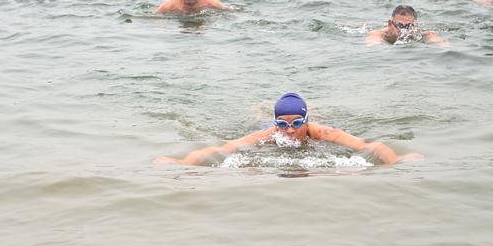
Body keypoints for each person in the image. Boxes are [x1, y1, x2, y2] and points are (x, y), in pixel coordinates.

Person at [155, 92, 423, 166]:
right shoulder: (268, 135)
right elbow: (220, 150)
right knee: (257, 122)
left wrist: (396, 160)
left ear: (306, 123)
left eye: (296, 124)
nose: (290, 131)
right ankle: (260, 110)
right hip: (261, 124)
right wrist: (181, 164)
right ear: (276, 124)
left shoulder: (322, 133)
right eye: (283, 124)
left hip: (317, 124)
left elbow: (369, 147)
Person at [366, 5, 448, 46]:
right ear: (390, 24)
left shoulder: (426, 34)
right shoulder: (378, 34)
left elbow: (441, 44)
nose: (404, 30)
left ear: (415, 25)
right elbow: (373, 44)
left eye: (408, 26)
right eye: (399, 26)